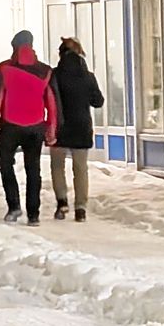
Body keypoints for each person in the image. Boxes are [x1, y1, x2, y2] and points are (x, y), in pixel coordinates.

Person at [0, 29, 59, 225]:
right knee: (33, 170)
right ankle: (34, 214)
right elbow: (52, 103)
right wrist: (51, 130)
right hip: (35, 127)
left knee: (6, 166)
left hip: (10, 126)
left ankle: (14, 207)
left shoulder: (4, 68)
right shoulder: (45, 71)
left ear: (14, 47)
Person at [50, 36, 104, 222]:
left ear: (61, 53)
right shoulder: (88, 76)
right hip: (82, 127)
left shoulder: (54, 75)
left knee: (57, 166)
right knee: (80, 169)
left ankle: (62, 201)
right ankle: (80, 208)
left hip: (59, 127)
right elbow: (98, 102)